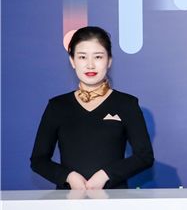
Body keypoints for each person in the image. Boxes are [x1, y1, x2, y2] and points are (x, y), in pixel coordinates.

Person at [30, 26, 154, 189]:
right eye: (82, 57)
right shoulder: (57, 106)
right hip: (69, 200)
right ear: (72, 61)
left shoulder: (126, 104)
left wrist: (106, 175)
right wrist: (68, 177)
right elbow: (38, 160)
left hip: (115, 199)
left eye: (98, 57)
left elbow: (144, 156)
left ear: (109, 61)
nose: (90, 65)